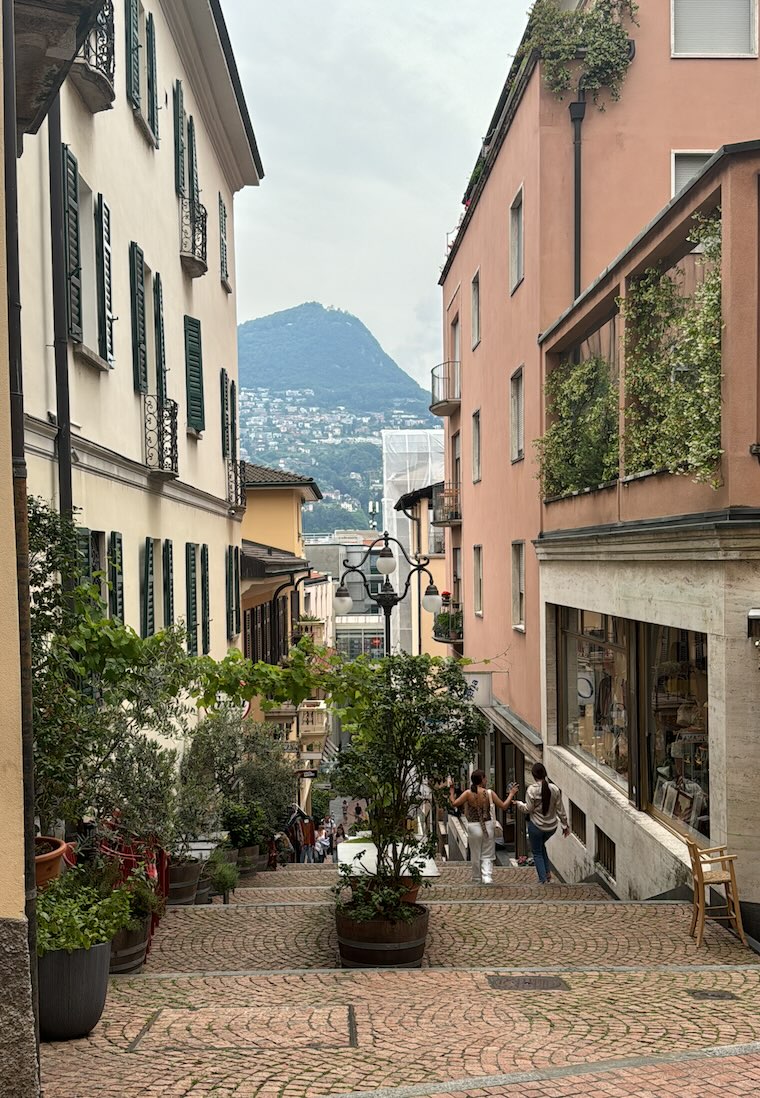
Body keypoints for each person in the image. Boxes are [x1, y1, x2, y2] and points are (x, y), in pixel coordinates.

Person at [449, 770, 518, 885]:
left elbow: (455, 803)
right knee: (487, 852)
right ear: (482, 779)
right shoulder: (489, 793)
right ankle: (487, 877)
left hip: (473, 826)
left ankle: (476, 877)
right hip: (488, 826)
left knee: (475, 853)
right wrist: (511, 794)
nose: (486, 780)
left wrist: (451, 792)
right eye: (485, 778)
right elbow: (504, 806)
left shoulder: (468, 793)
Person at [514, 762, 569, 884]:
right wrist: (565, 825)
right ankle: (548, 873)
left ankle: (543, 879)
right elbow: (561, 810)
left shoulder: (532, 790)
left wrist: (518, 804)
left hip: (536, 826)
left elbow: (528, 809)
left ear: (533, 776)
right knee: (541, 846)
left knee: (537, 852)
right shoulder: (554, 789)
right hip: (551, 827)